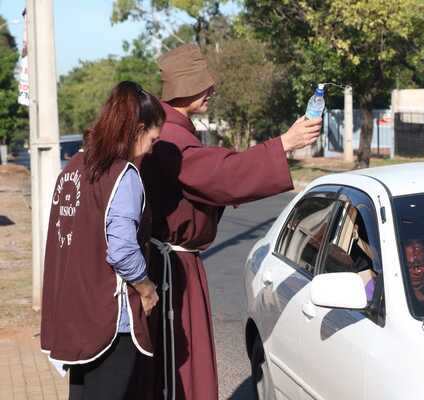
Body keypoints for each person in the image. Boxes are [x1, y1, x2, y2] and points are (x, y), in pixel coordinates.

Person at [133, 43, 322, 399]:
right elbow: (221, 173)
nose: (212, 91)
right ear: (185, 88)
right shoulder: (171, 136)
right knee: (180, 367)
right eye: (204, 85)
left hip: (173, 264)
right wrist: (284, 143)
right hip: (171, 269)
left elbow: (213, 176)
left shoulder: (173, 130)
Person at [40, 81, 165, 399]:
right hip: (110, 317)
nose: (151, 149)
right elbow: (122, 249)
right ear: (138, 129)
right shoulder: (123, 175)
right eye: (152, 139)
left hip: (74, 313)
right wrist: (147, 289)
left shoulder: (74, 167)